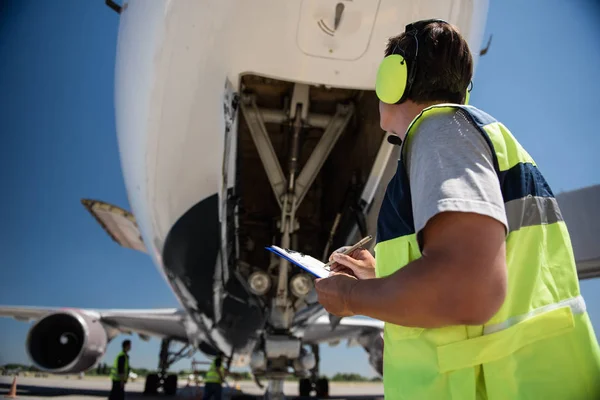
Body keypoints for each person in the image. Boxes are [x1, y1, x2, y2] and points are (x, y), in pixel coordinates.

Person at [314, 18, 600, 400]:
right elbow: (491, 269)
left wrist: (350, 298)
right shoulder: (467, 136)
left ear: (391, 80)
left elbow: (469, 287)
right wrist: (379, 275)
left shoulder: (439, 133)